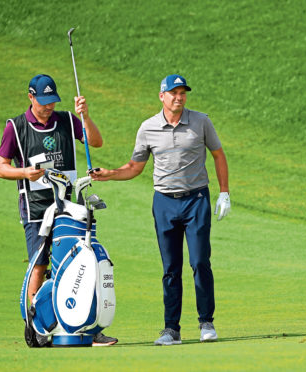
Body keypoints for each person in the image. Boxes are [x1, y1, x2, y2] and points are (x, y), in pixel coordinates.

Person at [91, 74, 231, 345]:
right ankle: (171, 329)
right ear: (162, 96)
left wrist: (224, 192)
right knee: (170, 268)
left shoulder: (201, 121)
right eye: (174, 92)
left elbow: (218, 155)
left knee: (200, 261)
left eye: (183, 93)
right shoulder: (148, 128)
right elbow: (134, 167)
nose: (179, 97)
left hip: (196, 200)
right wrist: (109, 173)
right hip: (164, 202)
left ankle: (206, 323)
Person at [0, 74, 118, 346]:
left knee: (77, 264)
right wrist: (23, 172)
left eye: (52, 101)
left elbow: (95, 142)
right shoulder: (15, 127)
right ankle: (38, 328)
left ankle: (84, 326)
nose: (48, 106)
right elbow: (1, 166)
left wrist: (85, 116)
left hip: (67, 206)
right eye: (43, 102)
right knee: (39, 267)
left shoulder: (66, 119)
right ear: (31, 97)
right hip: (36, 209)